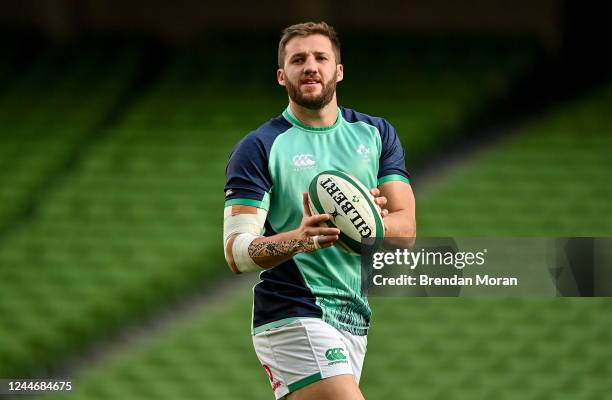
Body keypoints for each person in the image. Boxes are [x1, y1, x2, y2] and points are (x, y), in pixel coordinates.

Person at [223, 21, 415, 400]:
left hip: (353, 315)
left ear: (338, 71)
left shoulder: (376, 134)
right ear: (282, 76)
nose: (310, 66)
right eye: (298, 60)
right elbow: (236, 251)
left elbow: (405, 232)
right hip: (292, 311)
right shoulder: (260, 147)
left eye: (320, 57)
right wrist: (299, 239)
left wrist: (369, 221)